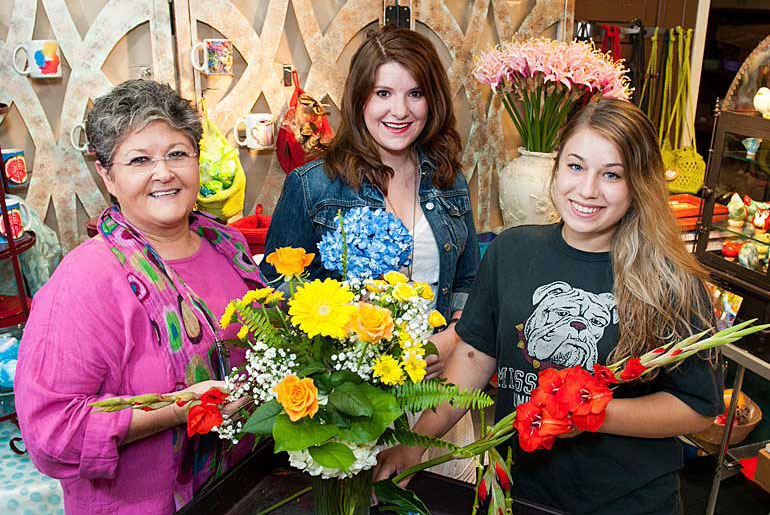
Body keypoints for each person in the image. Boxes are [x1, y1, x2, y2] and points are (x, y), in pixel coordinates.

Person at [375, 98, 723, 514]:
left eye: (611, 174)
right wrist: (416, 445)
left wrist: (594, 413)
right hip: (515, 492)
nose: (588, 190)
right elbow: (472, 358)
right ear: (556, 169)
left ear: (639, 183)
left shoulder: (670, 280)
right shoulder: (512, 250)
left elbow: (697, 408)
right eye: (576, 167)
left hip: (627, 503)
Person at [15, 79, 264, 514]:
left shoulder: (228, 247)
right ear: (107, 176)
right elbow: (51, 435)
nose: (163, 172)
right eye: (139, 160)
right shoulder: (85, 282)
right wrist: (175, 409)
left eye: (177, 154)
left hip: (241, 490)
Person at [260, 26, 480, 481]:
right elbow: (278, 304)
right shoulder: (312, 186)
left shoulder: (449, 181)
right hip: (349, 408)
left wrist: (452, 338)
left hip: (437, 400)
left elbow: (468, 285)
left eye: (415, 93)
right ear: (360, 99)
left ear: (433, 100)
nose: (399, 111)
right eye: (383, 92)